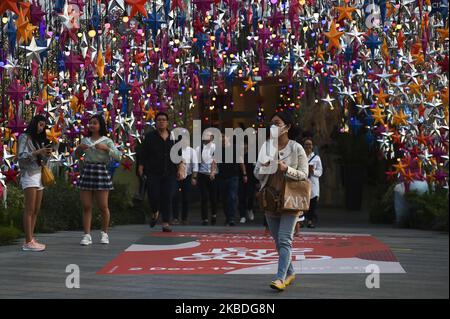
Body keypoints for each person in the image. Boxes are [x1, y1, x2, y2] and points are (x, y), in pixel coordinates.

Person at [254, 110, 308, 291]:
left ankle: (280, 278)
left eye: (277, 123)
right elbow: (256, 172)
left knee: (285, 240)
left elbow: (304, 175)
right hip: (269, 198)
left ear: (287, 127)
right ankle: (290, 272)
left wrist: (287, 170)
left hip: (290, 199)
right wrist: (266, 167)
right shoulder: (266, 147)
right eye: (271, 123)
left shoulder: (296, 148)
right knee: (278, 241)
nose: (273, 127)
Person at [75, 114, 122, 246]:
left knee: (103, 206)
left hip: (101, 171)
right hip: (88, 171)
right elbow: (76, 155)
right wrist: (79, 149)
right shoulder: (85, 140)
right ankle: (86, 235)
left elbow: (118, 156)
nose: (91, 125)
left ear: (100, 125)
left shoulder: (107, 140)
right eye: (90, 123)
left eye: (95, 123)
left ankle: (104, 233)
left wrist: (106, 149)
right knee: (86, 206)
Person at [138, 112, 184, 232]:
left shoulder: (174, 137)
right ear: (156, 122)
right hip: (153, 171)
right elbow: (143, 153)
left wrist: (180, 168)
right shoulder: (149, 137)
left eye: (164, 120)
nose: (161, 122)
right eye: (159, 120)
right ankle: (155, 211)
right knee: (153, 195)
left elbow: (178, 155)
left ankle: (165, 222)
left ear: (167, 122)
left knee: (167, 196)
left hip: (170, 172)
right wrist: (141, 166)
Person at [18, 115, 54, 251]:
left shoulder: (38, 139)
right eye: (40, 124)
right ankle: (28, 241)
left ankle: (31, 237)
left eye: (43, 125)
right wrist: (37, 152)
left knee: (36, 210)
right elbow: (21, 157)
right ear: (34, 124)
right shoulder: (24, 137)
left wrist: (46, 154)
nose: (42, 128)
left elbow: (40, 159)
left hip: (39, 174)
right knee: (30, 208)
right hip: (29, 174)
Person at [219, 133, 247, 226]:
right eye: (221, 137)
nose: (222, 139)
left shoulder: (235, 148)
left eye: (223, 137)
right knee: (224, 199)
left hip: (233, 176)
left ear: (228, 138)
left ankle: (231, 218)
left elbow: (241, 161)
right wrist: (212, 171)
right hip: (222, 176)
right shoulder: (219, 149)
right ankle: (227, 217)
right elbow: (214, 161)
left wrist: (244, 174)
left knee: (232, 197)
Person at [172, 129, 199, 225]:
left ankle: (184, 218)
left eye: (186, 139)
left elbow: (195, 165)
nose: (184, 141)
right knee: (175, 197)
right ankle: (175, 218)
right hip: (176, 177)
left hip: (187, 176)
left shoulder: (192, 151)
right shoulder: (175, 150)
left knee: (186, 198)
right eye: (182, 139)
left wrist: (194, 177)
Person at [196, 131, 218, 225]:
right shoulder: (199, 148)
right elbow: (196, 163)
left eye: (209, 136)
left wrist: (212, 172)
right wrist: (194, 176)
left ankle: (214, 215)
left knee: (213, 197)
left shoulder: (215, 147)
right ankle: (204, 218)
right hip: (202, 174)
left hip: (213, 175)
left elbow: (215, 160)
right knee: (204, 197)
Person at [302, 138, 323, 229]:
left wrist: (313, 171)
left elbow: (320, 171)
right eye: (306, 144)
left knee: (312, 203)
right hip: (303, 182)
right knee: (302, 203)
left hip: (313, 183)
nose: (308, 146)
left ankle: (310, 221)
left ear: (312, 146)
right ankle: (301, 221)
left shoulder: (317, 158)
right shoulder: (301, 157)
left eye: (310, 144)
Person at [239, 139, 256, 224]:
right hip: (240, 178)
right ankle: (242, 215)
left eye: (245, 144)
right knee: (241, 197)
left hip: (251, 179)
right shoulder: (238, 155)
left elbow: (255, 167)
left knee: (250, 196)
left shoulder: (252, 155)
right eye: (242, 144)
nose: (243, 146)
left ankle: (250, 209)